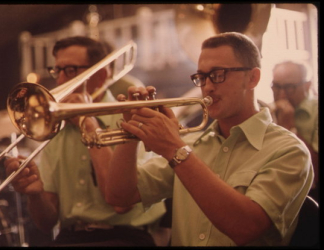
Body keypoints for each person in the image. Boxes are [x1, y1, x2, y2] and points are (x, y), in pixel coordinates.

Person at [105, 32, 313, 246]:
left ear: (253, 78)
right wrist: (131, 132)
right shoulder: (193, 143)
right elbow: (120, 197)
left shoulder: (289, 150)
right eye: (202, 77)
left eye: (218, 74)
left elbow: (246, 228)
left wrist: (175, 150)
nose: (207, 86)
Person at [4, 36, 166, 246]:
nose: (60, 80)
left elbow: (121, 204)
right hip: (70, 238)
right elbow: (46, 223)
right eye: (57, 71)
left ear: (100, 75)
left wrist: (87, 123)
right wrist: (35, 194)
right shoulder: (56, 128)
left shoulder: (129, 116)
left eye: (70, 70)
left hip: (125, 237)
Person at [271, 60, 318, 202]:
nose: (282, 95)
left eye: (290, 87)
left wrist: (289, 129)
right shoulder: (268, 111)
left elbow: (315, 170)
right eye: (276, 87)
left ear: (308, 85)